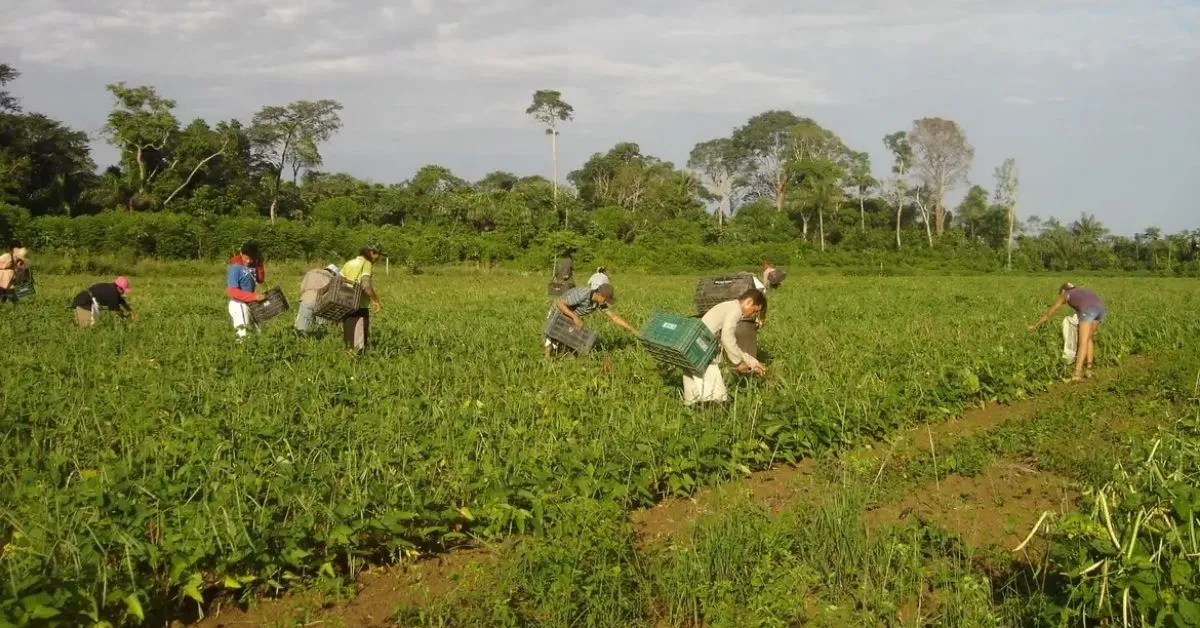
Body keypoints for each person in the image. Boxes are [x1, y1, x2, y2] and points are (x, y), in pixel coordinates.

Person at [684, 289, 768, 406]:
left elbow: (731, 343)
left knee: (693, 394)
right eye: (754, 311)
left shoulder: (729, 306)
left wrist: (752, 362)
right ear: (749, 302)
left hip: (691, 345)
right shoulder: (736, 310)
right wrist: (738, 363)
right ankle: (713, 416)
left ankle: (693, 413)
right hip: (701, 348)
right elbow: (727, 338)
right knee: (718, 396)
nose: (753, 315)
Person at [1029, 282, 1106, 381]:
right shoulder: (1082, 291)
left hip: (1088, 310)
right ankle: (1089, 370)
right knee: (1088, 338)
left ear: (1063, 291)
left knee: (1082, 342)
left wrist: (1035, 326)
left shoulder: (1065, 294)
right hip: (1101, 309)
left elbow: (1050, 313)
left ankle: (1077, 374)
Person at [544, 283, 637, 356]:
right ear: (600, 295)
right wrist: (575, 317)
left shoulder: (598, 303)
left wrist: (632, 329)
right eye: (606, 299)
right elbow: (559, 303)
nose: (606, 302)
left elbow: (614, 317)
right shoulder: (583, 294)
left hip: (569, 316)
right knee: (551, 337)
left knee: (567, 337)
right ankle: (547, 360)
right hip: (557, 312)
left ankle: (565, 355)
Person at [340, 245, 383, 352]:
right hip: (359, 305)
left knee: (349, 334)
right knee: (359, 337)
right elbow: (366, 286)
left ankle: (349, 357)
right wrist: (375, 300)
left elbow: (338, 281)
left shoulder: (348, 263)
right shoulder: (366, 263)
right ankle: (358, 360)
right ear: (372, 253)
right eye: (378, 255)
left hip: (345, 302)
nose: (378, 258)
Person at [226, 242, 266, 341]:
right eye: (246, 257)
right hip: (238, 304)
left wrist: (259, 265)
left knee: (257, 334)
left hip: (250, 304)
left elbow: (260, 280)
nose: (248, 261)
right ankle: (241, 354)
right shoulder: (235, 268)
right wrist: (254, 297)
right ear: (241, 253)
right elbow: (232, 291)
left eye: (251, 259)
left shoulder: (253, 265)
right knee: (243, 335)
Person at [295, 264, 341, 334]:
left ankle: (302, 340)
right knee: (322, 327)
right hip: (322, 302)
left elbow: (302, 288)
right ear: (333, 273)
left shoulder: (311, 273)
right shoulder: (332, 279)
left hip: (307, 299)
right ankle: (319, 340)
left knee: (302, 327)